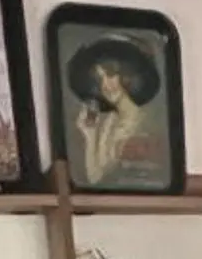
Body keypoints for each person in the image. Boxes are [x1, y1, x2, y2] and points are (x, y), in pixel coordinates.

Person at [67, 37, 163, 188]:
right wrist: (90, 136)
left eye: (110, 75)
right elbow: (95, 179)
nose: (105, 85)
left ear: (127, 75)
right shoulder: (110, 121)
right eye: (100, 79)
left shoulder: (146, 122)